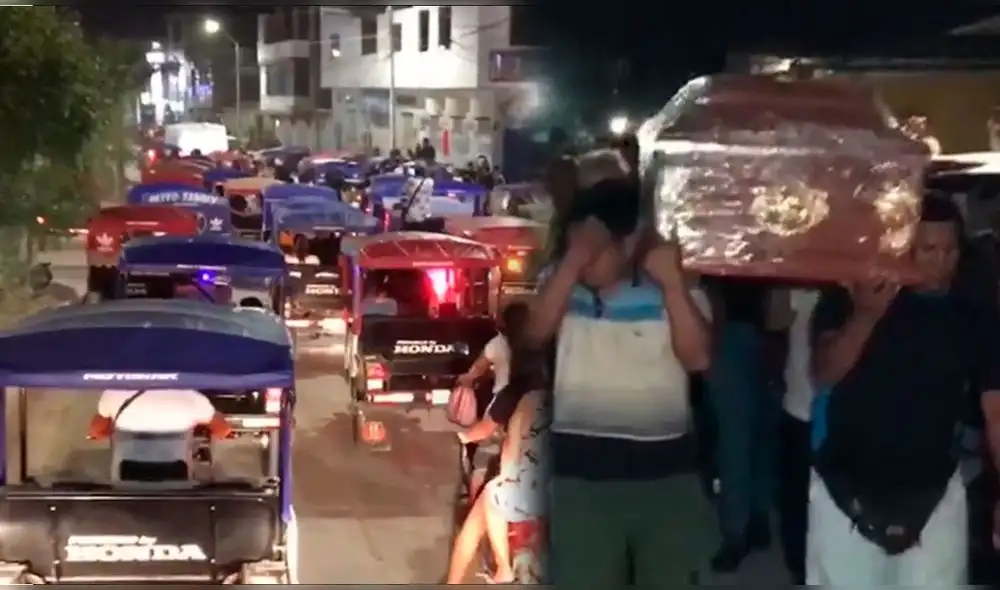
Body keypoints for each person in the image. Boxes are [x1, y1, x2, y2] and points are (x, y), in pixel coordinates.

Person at [526, 170, 713, 585]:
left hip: (666, 478)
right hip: (582, 482)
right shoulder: (561, 283)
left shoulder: (673, 290)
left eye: (595, 247)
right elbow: (535, 332)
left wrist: (673, 286)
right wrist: (572, 261)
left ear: (627, 243)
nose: (584, 257)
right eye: (577, 244)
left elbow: (699, 358)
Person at [807, 195, 1000, 585]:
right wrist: (866, 316)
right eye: (929, 249)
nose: (941, 262)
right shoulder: (857, 293)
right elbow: (825, 372)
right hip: (846, 488)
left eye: (950, 250)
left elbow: (996, 409)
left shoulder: (973, 314)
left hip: (934, 491)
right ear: (905, 247)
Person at [446, 367, 547, 583]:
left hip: (529, 489)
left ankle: (501, 569)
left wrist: (464, 437)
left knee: (482, 511)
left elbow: (501, 440)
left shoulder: (522, 396)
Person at [88, 389, 232, 482]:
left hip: (126, 473)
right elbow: (222, 430)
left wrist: (106, 432)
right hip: (176, 473)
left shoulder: (115, 392)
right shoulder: (190, 396)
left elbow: (96, 431)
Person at [776, 288, 819, 584]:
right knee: (797, 502)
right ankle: (800, 572)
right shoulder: (798, 283)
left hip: (850, 413)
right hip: (801, 408)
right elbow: (773, 319)